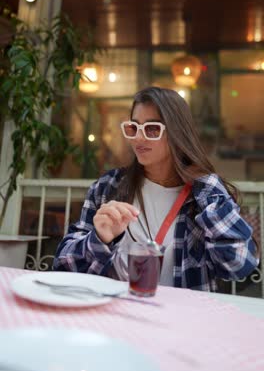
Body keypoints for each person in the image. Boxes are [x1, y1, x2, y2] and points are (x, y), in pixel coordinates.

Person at [53, 86, 259, 291]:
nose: (138, 138)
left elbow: (239, 264)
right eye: (134, 128)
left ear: (177, 133)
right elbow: (63, 265)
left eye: (152, 129)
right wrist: (99, 238)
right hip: (115, 312)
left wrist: (209, 190)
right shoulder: (108, 187)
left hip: (182, 317)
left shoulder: (203, 194)